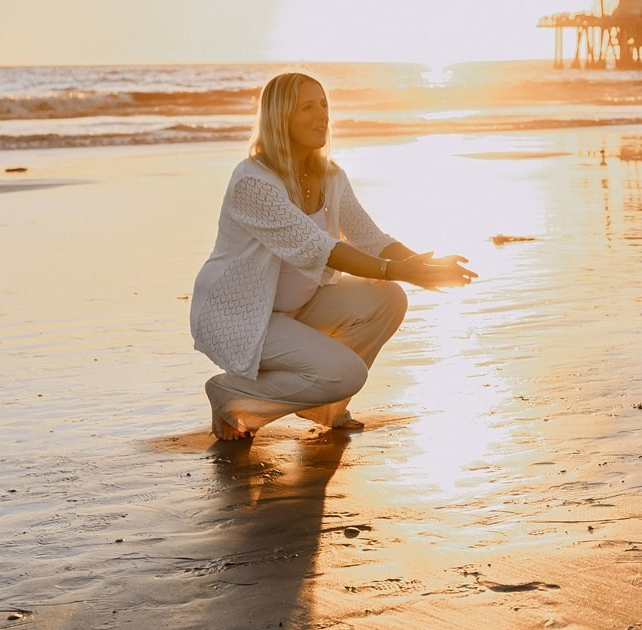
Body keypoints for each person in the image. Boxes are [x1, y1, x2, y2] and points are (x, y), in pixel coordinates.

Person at [190, 71, 475, 441]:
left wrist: (423, 267)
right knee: (347, 373)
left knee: (388, 297)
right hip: (242, 317)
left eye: (324, 104)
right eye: (307, 106)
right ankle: (230, 394)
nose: (322, 115)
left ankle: (326, 405)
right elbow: (320, 249)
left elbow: (371, 240)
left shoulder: (330, 176)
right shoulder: (253, 182)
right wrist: (400, 269)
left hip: (300, 306)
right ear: (281, 116)